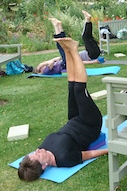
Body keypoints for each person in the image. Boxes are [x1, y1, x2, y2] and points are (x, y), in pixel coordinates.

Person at [18, 37, 108, 181]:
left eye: (33, 153)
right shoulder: (65, 159)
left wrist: (36, 156)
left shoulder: (43, 150)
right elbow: (88, 154)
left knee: (71, 87)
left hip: (73, 119)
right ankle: (73, 49)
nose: (37, 150)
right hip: (90, 124)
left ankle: (67, 50)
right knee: (79, 89)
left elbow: (40, 153)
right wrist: (109, 150)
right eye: (37, 155)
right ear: (44, 166)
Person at [35, 11, 103, 75]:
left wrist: (43, 63)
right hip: (66, 64)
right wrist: (44, 63)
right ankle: (56, 26)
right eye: (41, 68)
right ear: (40, 71)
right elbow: (51, 62)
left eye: (42, 67)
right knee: (61, 45)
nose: (43, 67)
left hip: (65, 62)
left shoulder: (49, 67)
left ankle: (58, 26)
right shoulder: (45, 71)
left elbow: (57, 58)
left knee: (64, 45)